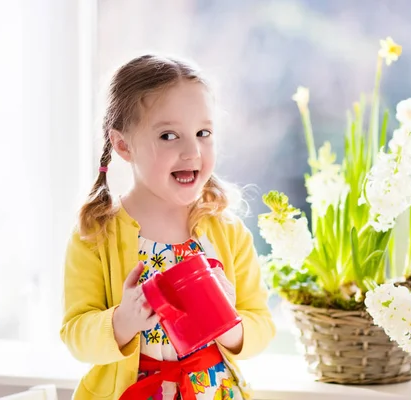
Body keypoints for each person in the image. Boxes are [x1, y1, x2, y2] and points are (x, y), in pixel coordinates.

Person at [60, 54, 275, 400]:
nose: (192, 151)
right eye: (169, 135)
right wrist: (123, 321)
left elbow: (262, 325)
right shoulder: (96, 233)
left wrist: (230, 322)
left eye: (203, 133)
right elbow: (75, 335)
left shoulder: (228, 232)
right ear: (123, 145)